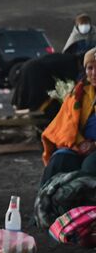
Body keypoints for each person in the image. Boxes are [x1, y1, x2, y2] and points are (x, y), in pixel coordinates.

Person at [40, 47, 96, 185]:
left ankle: (87, 206)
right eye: (90, 68)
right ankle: (45, 202)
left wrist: (94, 145)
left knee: (89, 167)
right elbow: (65, 124)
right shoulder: (78, 94)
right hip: (77, 144)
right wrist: (81, 143)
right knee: (59, 161)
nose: (94, 73)